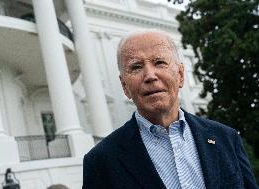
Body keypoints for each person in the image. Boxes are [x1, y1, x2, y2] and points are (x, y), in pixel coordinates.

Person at [82, 30, 259, 189]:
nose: (150, 75)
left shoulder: (226, 138)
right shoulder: (101, 161)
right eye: (136, 67)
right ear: (124, 86)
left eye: (159, 62)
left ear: (180, 75)